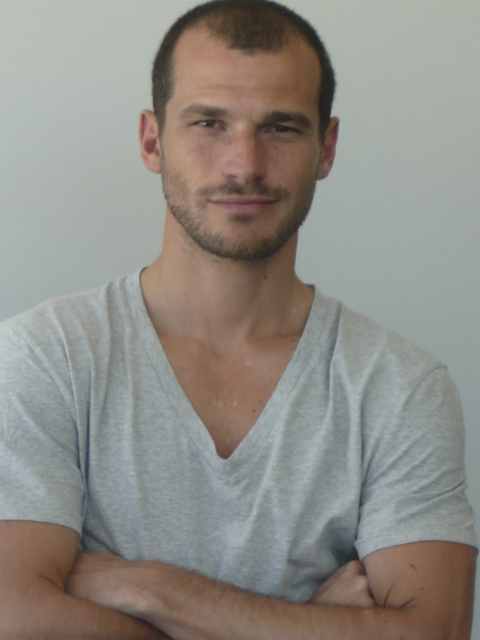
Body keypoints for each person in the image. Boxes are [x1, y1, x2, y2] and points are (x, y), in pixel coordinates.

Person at [0, 0, 477, 638]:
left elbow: (431, 634)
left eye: (280, 127)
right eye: (209, 123)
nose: (244, 165)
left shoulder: (399, 387)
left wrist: (152, 587)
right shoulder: (46, 357)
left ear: (326, 147)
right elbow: (14, 616)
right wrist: (312, 627)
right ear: (152, 140)